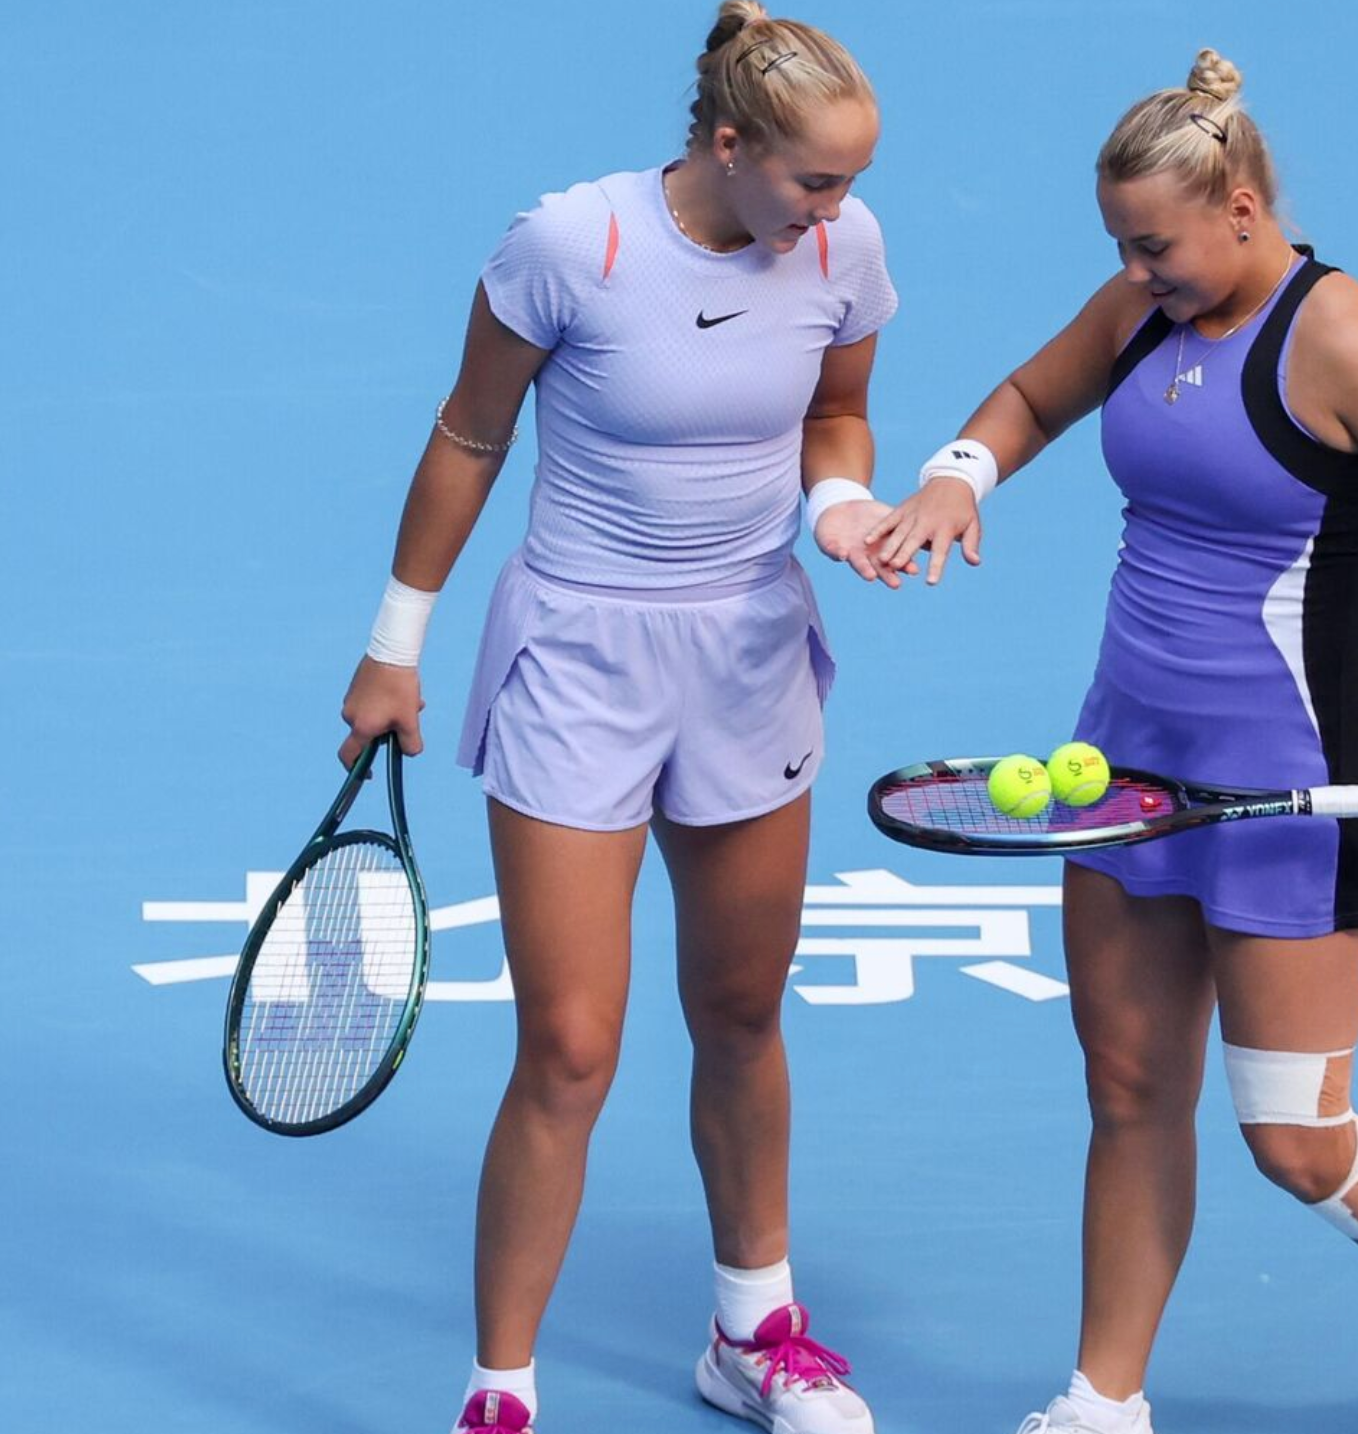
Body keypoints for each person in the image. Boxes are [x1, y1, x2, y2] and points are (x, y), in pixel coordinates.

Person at [865, 48, 1358, 1434]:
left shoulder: (1342, 340)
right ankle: (1102, 1399)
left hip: (1291, 788)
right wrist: (956, 476)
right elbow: (1031, 398)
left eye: (1157, 247)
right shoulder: (1140, 305)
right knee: (1128, 1090)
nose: (1137, 273)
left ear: (1242, 209)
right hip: (1123, 773)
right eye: (1122, 248)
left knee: (1296, 1141)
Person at [336, 6, 900, 1431]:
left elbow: (837, 411)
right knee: (571, 1046)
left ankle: (752, 1334)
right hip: (580, 655)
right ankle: (501, 1391)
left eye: (850, 183)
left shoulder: (842, 249)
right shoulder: (571, 243)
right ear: (731, 145)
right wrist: (394, 648)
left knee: (742, 1009)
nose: (834, 210)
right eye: (813, 181)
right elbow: (470, 435)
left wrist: (840, 504)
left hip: (751, 651)